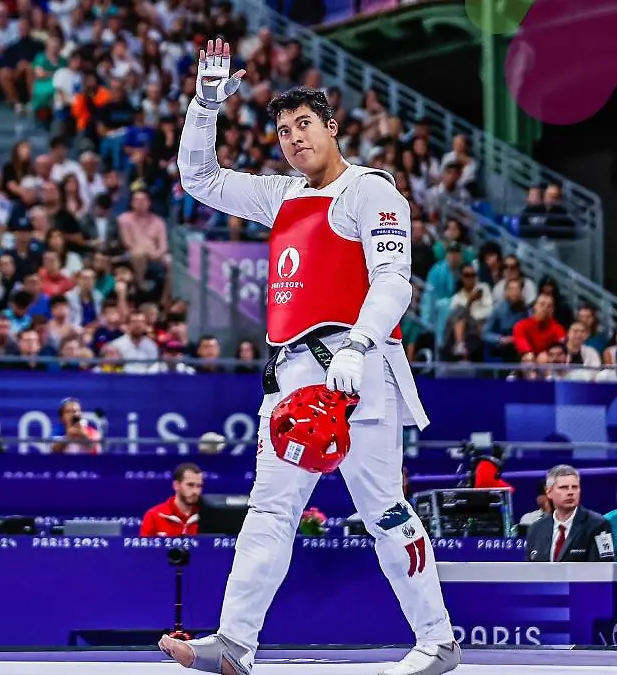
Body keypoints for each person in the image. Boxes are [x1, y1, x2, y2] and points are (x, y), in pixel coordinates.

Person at [159, 39, 458, 675]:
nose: (294, 139)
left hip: (358, 368)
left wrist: (358, 344)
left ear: (331, 127)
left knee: (384, 510)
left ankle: (437, 641)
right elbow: (200, 179)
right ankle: (234, 644)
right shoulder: (281, 194)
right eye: (283, 130)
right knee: (271, 507)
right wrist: (205, 108)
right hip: (290, 376)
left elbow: (394, 282)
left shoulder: (372, 192)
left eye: (304, 125)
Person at [524, 465, 614, 562]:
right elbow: (530, 570)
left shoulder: (598, 525)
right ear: (549, 492)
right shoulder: (536, 529)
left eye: (574, 487)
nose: (570, 492)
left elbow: (604, 568)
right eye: (564, 488)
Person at [140, 463, 203, 537]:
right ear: (176, 485)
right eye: (190, 485)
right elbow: (144, 548)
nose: (195, 491)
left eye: (199, 486)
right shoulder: (153, 515)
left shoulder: (208, 517)